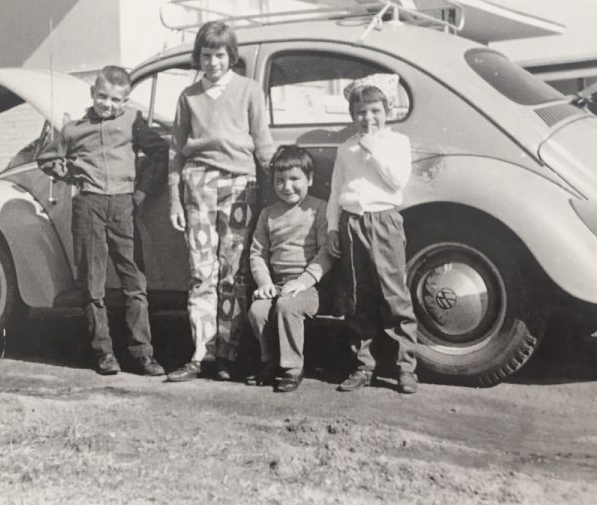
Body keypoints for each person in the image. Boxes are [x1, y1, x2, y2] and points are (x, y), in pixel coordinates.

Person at [37, 65, 167, 377]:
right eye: (102, 96)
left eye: (115, 99)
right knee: (92, 283)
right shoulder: (74, 130)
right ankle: (103, 352)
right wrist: (75, 173)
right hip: (88, 207)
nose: (107, 104)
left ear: (126, 100)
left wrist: (142, 192)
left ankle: (143, 353)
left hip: (124, 207)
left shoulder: (132, 121)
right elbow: (46, 159)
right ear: (92, 93)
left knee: (135, 282)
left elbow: (160, 152)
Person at [167, 20, 275, 382]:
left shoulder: (249, 90)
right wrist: (174, 200)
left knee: (233, 273)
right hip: (198, 186)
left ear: (231, 56)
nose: (212, 62)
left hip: (240, 186)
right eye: (206, 55)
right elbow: (175, 152)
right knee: (202, 273)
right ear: (198, 57)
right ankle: (202, 354)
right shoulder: (188, 96)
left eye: (219, 55)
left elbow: (263, 144)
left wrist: (274, 192)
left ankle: (228, 354)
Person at [327, 75, 419, 394]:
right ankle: (363, 365)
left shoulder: (397, 143)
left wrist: (374, 149)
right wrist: (333, 227)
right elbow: (336, 191)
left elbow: (397, 181)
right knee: (358, 296)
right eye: (361, 112)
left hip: (384, 222)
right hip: (352, 224)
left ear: (388, 111)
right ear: (353, 115)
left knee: (394, 295)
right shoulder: (345, 148)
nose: (368, 118)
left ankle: (405, 367)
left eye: (375, 111)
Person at [246, 145, 334, 393]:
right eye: (280, 180)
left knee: (287, 306)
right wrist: (264, 283)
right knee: (258, 310)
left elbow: (326, 252)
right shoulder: (268, 214)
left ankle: (293, 367)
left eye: (295, 179)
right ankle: (270, 362)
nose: (287, 186)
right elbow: (258, 253)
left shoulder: (319, 208)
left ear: (310, 179)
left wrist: (304, 281)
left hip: (311, 286)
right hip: (277, 283)